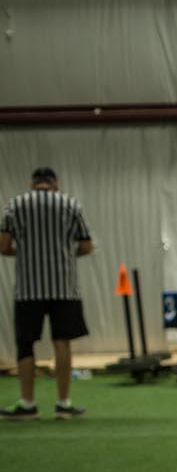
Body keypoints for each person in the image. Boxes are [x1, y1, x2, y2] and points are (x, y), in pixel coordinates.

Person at [0, 166, 93, 420]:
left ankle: (27, 404)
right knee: (62, 341)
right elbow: (86, 246)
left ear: (33, 184)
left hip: (28, 288)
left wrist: (25, 253)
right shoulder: (70, 205)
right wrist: (65, 255)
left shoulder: (15, 206)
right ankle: (63, 404)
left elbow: (3, 246)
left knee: (25, 344)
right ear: (55, 183)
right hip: (64, 287)